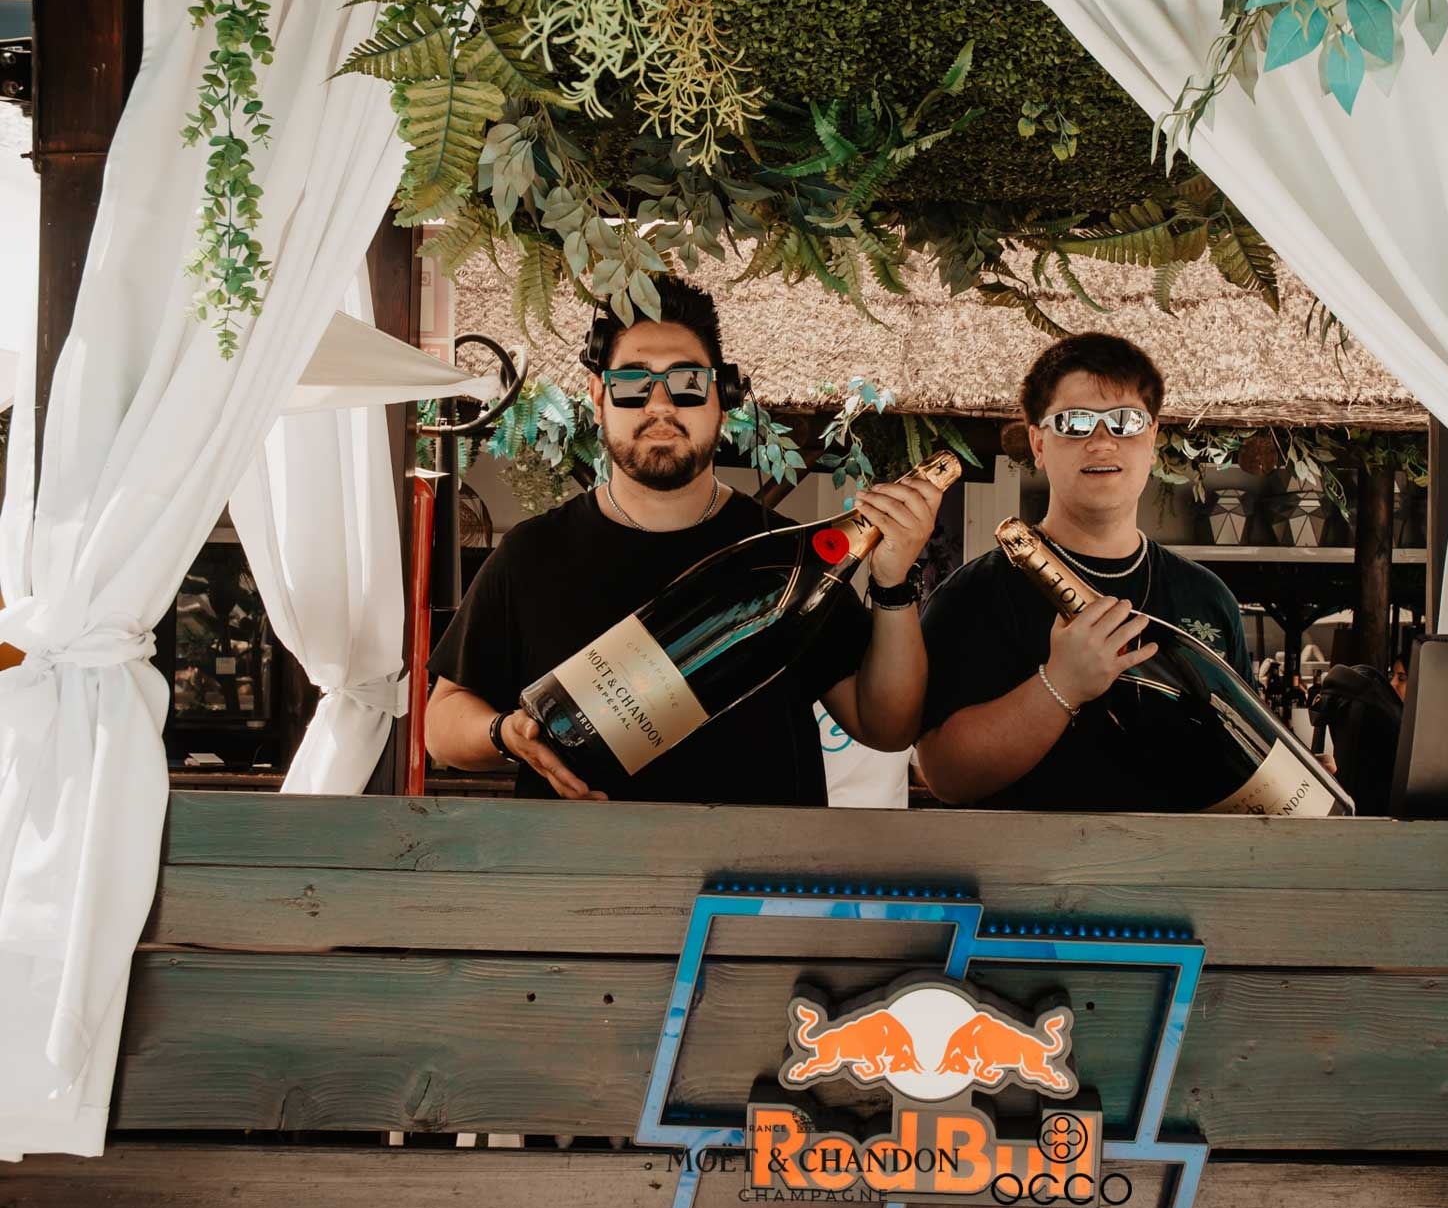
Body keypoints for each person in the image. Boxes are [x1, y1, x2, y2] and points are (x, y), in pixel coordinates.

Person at [424, 277, 943, 804]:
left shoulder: (786, 558)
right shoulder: (531, 556)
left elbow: (886, 728)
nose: (660, 405)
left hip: (756, 858)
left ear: (724, 397)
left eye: (687, 382)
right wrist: (505, 734)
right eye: (632, 382)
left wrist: (892, 582)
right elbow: (441, 725)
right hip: (579, 857)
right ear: (599, 397)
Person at [915, 333, 1253, 810]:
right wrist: (1061, 683)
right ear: (1038, 443)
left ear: (1151, 439)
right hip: (1027, 859)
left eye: (1125, 421)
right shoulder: (973, 595)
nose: (1101, 442)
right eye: (1074, 422)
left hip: (1175, 860)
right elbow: (944, 775)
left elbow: (1241, 752)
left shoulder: (1208, 597)